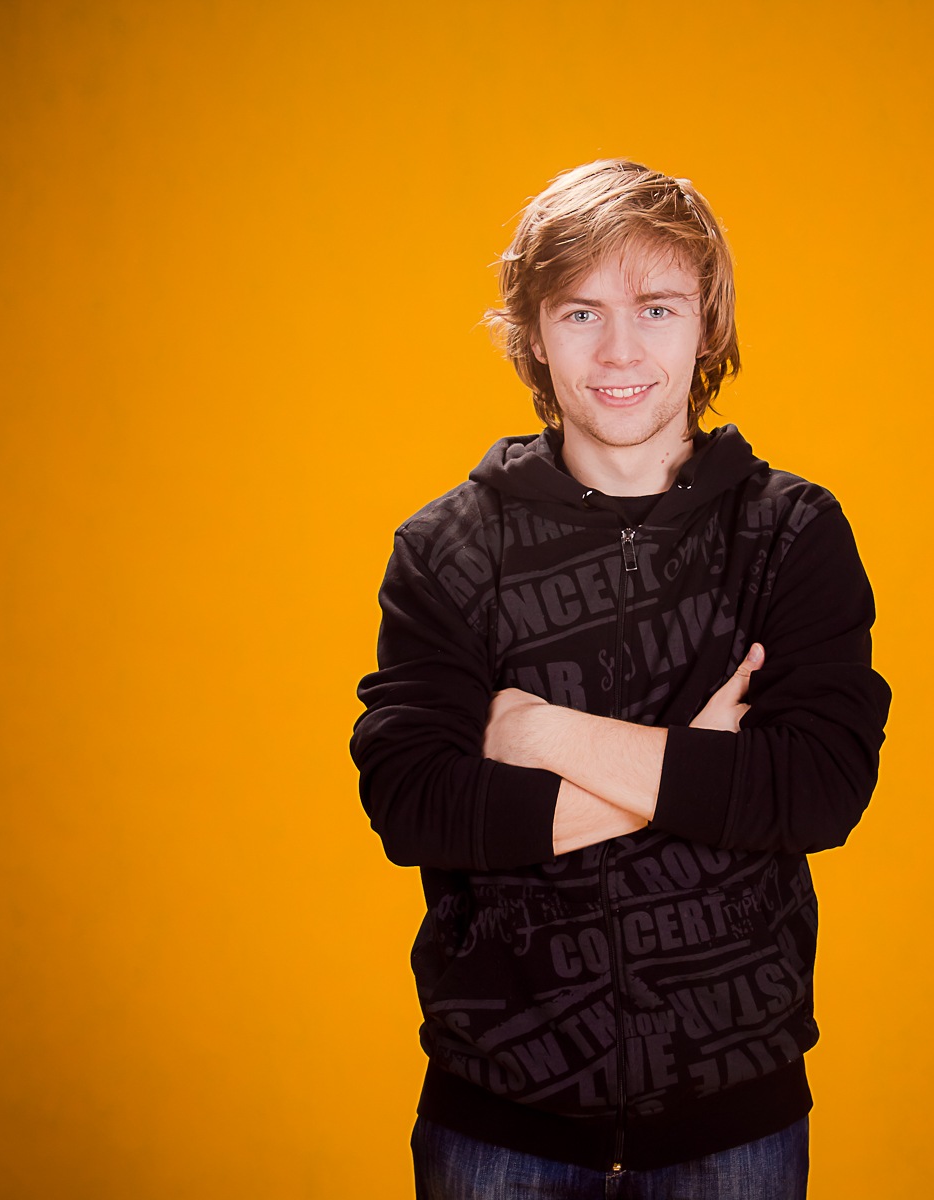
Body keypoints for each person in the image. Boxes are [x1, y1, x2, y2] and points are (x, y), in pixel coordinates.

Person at [350, 159, 891, 1199]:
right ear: (533, 335)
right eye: (580, 312)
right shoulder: (447, 550)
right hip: (496, 1124)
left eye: (656, 308)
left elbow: (817, 789)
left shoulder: (790, 534)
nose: (620, 351)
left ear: (706, 325)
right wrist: (698, 771)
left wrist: (540, 734)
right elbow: (413, 805)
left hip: (735, 1123)